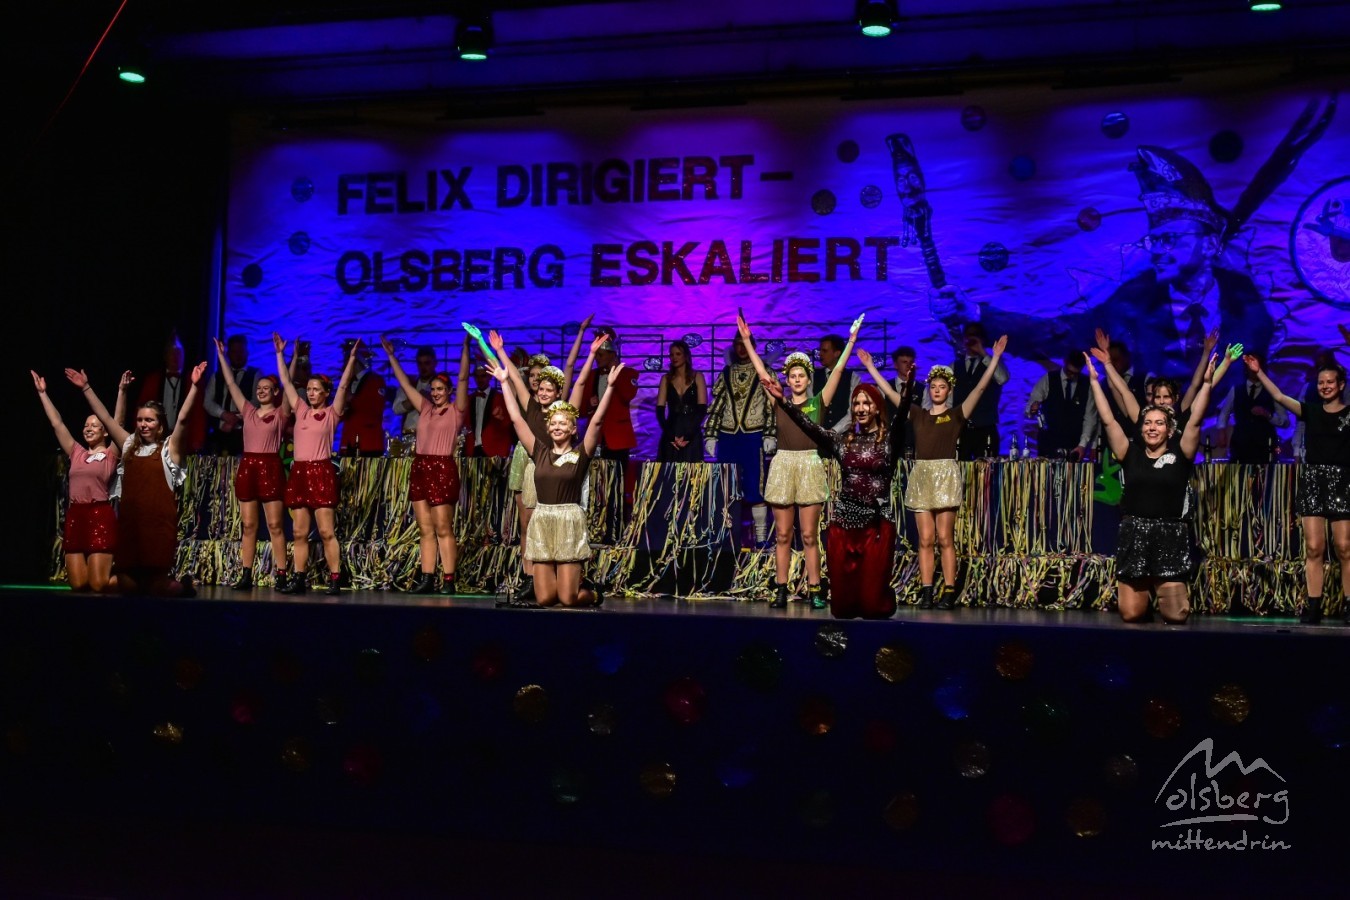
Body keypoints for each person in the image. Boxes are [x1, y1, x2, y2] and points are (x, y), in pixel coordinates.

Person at [766, 372, 916, 619]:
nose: (861, 408)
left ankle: (884, 599)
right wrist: (783, 402)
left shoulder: (889, 440)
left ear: (877, 408)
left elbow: (901, 418)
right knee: (842, 609)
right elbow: (809, 426)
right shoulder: (842, 442)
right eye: (856, 403)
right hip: (844, 526)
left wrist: (907, 392)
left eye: (866, 403)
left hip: (876, 526)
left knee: (872, 607)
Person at [1084, 351, 1216, 624]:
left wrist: (1207, 383)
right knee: (1131, 613)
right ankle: (1143, 597)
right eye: (1147, 423)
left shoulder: (1182, 453)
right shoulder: (1129, 452)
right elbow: (1108, 420)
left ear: (1169, 430)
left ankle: (1163, 589)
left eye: (1158, 423)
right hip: (1135, 534)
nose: (1152, 428)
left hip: (1170, 536)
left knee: (1176, 616)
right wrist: (1095, 381)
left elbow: (1195, 419)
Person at [738, 312, 859, 609]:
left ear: (808, 378)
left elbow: (839, 370)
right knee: (782, 534)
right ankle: (781, 588)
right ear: (787, 379)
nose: (796, 380)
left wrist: (851, 341)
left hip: (809, 465)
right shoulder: (778, 399)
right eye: (792, 376)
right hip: (783, 465)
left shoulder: (818, 402)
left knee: (808, 534)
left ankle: (815, 588)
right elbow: (761, 371)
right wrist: (747, 341)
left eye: (801, 375)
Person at [491, 359, 626, 608]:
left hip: (568, 522)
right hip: (542, 520)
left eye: (563, 423)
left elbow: (597, 421)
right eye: (553, 423)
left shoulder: (581, 454)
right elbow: (517, 420)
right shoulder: (539, 452)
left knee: (567, 599)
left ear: (573, 429)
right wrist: (504, 383)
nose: (557, 427)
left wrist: (609, 387)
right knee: (544, 599)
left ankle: (593, 594)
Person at [69, 361, 207, 596]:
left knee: (155, 588)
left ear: (160, 425)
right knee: (123, 585)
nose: (143, 425)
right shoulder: (129, 445)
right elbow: (106, 418)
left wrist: (194, 387)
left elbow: (183, 419)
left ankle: (181, 587)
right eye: (140, 420)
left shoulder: (169, 450)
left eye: (149, 420)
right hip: (131, 529)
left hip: (157, 530)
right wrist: (86, 388)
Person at [1241, 355, 1350, 625]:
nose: (1325, 386)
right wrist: (1259, 372)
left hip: (1342, 481)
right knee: (1314, 547)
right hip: (1313, 480)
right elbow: (1279, 396)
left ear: (1341, 385)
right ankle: (1314, 605)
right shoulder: (1310, 411)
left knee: (1344, 547)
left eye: (1330, 382)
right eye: (1321, 382)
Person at [906, 335, 1009, 610]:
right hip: (922, 476)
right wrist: (870, 368)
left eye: (942, 386)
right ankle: (927, 590)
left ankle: (949, 590)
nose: (937, 390)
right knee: (925, 539)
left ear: (949, 390)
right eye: (933, 386)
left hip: (945, 475)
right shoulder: (918, 414)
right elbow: (895, 397)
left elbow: (981, 387)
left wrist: (995, 358)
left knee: (944, 537)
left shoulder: (956, 415)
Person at [381, 334, 471, 594]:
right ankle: (428, 577)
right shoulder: (425, 408)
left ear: (449, 391)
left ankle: (449, 579)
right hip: (420, 467)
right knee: (425, 528)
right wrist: (391, 356)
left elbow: (463, 378)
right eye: (433, 390)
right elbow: (403, 383)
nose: (436, 393)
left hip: (442, 468)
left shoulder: (456, 411)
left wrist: (465, 348)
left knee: (443, 526)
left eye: (440, 389)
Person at [274, 334, 361, 595]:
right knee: (299, 532)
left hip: (321, 472)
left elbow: (343, 386)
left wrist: (352, 359)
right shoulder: (300, 410)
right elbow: (286, 382)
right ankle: (299, 577)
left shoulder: (332, 414)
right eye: (309, 389)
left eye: (316, 390)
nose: (311, 393)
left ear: (325, 393)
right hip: (300, 473)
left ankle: (335, 578)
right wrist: (280, 354)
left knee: (325, 531)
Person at [211, 336, 291, 591]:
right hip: (248, 467)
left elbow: (288, 383)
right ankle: (246, 574)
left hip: (270, 467)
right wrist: (221, 356)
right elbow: (231, 383)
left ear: (275, 392)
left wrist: (280, 355)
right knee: (248, 525)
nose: (261, 390)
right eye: (259, 388)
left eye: (267, 388)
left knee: (275, 525)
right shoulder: (247, 411)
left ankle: (281, 574)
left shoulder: (281, 414)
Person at [34, 370, 121, 592]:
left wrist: (122, 391)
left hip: (99, 514)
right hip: (76, 515)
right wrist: (42, 394)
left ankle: (133, 582)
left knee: (99, 584)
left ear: (106, 432)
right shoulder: (77, 452)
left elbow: (117, 421)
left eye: (94, 425)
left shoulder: (111, 453)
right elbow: (57, 424)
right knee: (79, 584)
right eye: (85, 425)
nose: (88, 428)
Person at [704, 330, 777, 544]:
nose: (741, 348)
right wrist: (711, 435)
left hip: (754, 435)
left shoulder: (765, 371)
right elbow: (717, 405)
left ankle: (761, 537)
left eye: (744, 344)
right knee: (725, 486)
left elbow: (772, 406)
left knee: (756, 486)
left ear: (753, 346)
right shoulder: (727, 372)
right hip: (728, 436)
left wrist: (770, 433)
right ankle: (726, 537)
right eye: (737, 344)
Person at [578, 326, 640, 467]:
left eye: (600, 355)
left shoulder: (629, 374)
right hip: (595, 438)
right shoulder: (590, 376)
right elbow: (579, 410)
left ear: (612, 354)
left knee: (618, 478)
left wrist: (615, 370)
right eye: (596, 355)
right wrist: (589, 405)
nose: (596, 359)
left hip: (618, 438)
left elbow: (627, 395)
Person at [137, 331, 206, 453]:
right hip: (156, 437)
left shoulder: (192, 381)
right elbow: (141, 410)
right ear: (165, 356)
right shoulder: (153, 380)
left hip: (184, 439)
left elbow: (198, 413)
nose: (175, 357)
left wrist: (197, 440)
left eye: (178, 353)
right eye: (172, 353)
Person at [951, 322, 1008, 459]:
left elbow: (1002, 378)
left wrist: (983, 352)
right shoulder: (954, 366)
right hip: (960, 428)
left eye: (975, 335)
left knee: (986, 469)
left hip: (985, 427)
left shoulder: (991, 363)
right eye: (969, 335)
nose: (972, 339)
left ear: (982, 339)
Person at [1218, 353, 1289, 463]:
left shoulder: (1273, 391)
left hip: (1265, 447)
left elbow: (1285, 421)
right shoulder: (1236, 390)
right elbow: (1224, 413)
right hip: (1240, 445)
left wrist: (1268, 415)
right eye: (1250, 364)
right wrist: (1222, 431)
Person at [1025, 351, 1097, 460]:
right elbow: (1031, 404)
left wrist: (1082, 445)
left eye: (1075, 373)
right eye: (1069, 371)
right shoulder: (1049, 379)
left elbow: (1090, 418)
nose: (1071, 376)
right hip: (1048, 443)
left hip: (1074, 445)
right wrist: (1032, 408)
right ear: (1065, 362)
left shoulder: (1087, 384)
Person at [203, 335, 260, 455]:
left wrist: (236, 418)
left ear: (247, 353)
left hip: (244, 434)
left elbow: (256, 402)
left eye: (241, 351)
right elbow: (207, 402)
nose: (238, 355)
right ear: (228, 353)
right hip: (219, 432)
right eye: (234, 352)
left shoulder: (255, 374)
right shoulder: (217, 376)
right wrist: (223, 414)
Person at [655, 339, 707, 462]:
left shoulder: (698, 377)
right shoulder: (666, 379)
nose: (674, 357)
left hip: (691, 432)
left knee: (691, 472)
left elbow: (702, 410)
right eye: (671, 354)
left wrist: (688, 436)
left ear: (686, 356)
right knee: (668, 471)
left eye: (678, 354)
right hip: (671, 431)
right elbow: (660, 411)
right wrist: (670, 436)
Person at [337, 338, 387, 457]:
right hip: (348, 443)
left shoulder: (376, 381)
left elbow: (376, 409)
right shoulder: (346, 384)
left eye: (347, 360)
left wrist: (351, 400)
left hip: (369, 444)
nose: (344, 365)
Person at [813, 333, 861, 432]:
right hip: (816, 435)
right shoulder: (813, 376)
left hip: (843, 435)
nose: (820, 354)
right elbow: (810, 407)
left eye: (824, 351)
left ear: (837, 353)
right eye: (820, 350)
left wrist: (834, 431)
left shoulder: (853, 378)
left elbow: (852, 412)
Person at [464, 360, 512, 458]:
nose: (480, 379)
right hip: (472, 450)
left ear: (490, 376)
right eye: (477, 376)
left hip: (493, 451)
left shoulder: (500, 398)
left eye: (483, 376)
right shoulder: (468, 399)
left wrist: (501, 418)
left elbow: (509, 425)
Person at [392, 345, 439, 437]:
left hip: (432, 435)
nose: (423, 367)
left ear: (435, 363)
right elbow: (396, 409)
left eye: (427, 363)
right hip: (408, 435)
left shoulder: (442, 385)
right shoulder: (409, 383)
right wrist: (417, 398)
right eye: (420, 363)